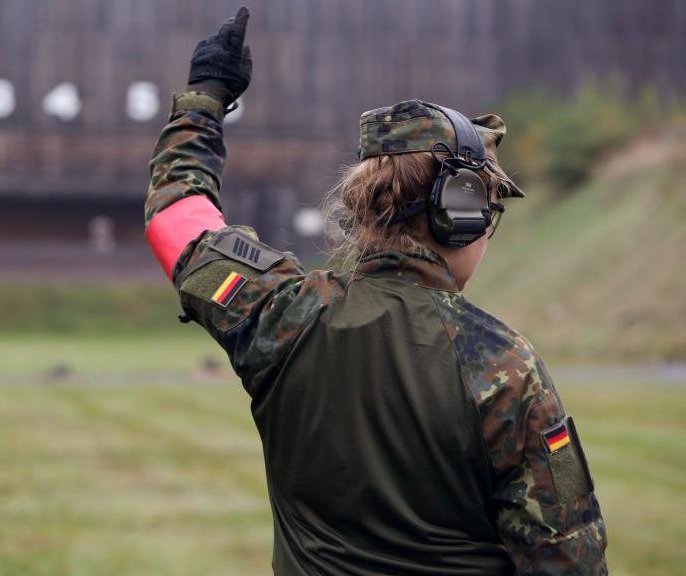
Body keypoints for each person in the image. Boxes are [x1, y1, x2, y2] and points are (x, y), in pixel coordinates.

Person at [143, 7, 607, 576]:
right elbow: (569, 561)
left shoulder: (279, 315)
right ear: (456, 214)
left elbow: (177, 219)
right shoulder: (504, 368)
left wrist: (204, 99)